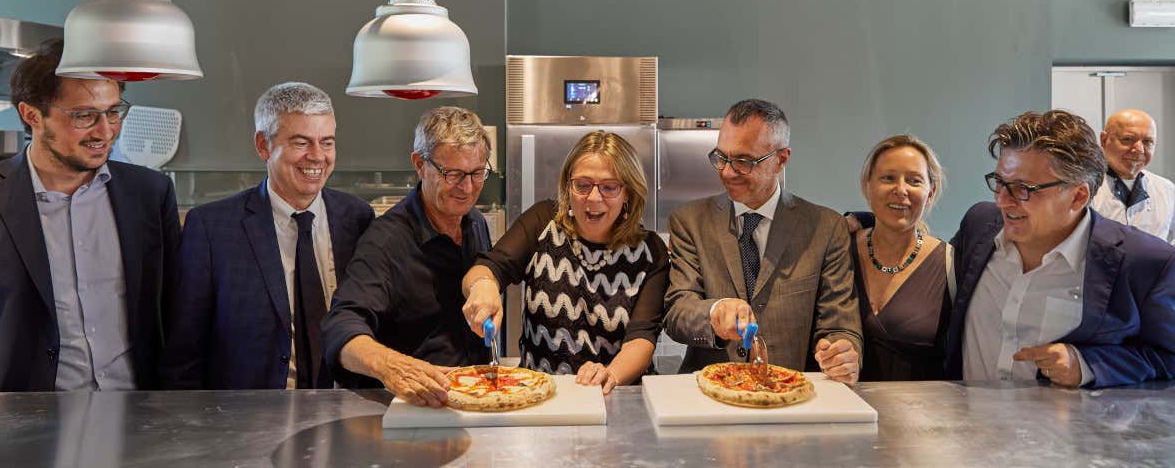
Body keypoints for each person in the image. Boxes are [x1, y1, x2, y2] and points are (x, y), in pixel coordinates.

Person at [0, 39, 181, 392]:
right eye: (84, 116)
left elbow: (172, 308)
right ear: (32, 115)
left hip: (136, 414)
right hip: (21, 420)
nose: (105, 131)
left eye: (114, 112)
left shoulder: (150, 193)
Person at [160, 82, 373, 389]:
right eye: (301, 143)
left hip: (348, 412)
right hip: (248, 421)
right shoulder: (212, 228)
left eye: (327, 142)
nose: (317, 157)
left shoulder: (358, 217)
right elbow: (183, 355)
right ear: (263, 145)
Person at [951, 110, 1175, 387]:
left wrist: (1088, 365)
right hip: (968, 424)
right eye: (1000, 183)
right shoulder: (979, 226)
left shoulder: (1144, 262)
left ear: (1078, 196)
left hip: (1069, 428)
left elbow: (1168, 357)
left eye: (1023, 189)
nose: (1002, 201)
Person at [663, 99, 863, 384]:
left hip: (790, 392)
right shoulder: (690, 222)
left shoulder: (826, 228)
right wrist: (714, 312)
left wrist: (842, 352)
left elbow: (840, 323)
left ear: (781, 159)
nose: (727, 172)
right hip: (709, 392)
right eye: (721, 157)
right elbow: (677, 311)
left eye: (744, 161)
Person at [461, 131, 670, 394]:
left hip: (617, 397)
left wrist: (610, 375)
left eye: (609, 187)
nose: (594, 198)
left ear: (627, 193)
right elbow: (489, 267)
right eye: (583, 185)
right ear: (567, 186)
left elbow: (641, 337)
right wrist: (483, 286)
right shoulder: (542, 223)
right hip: (541, 395)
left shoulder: (649, 251)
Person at [322, 106, 493, 407]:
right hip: (415, 407)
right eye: (452, 174)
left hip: (473, 400)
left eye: (477, 173)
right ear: (419, 164)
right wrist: (391, 367)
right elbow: (341, 326)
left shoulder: (476, 222)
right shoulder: (386, 240)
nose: (467, 188)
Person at [850, 135, 950, 381]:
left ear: (930, 193)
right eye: (888, 178)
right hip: (841, 412)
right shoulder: (837, 250)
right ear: (867, 186)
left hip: (920, 415)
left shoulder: (951, 263)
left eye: (914, 180)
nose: (901, 190)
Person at [1090, 109, 1175, 244]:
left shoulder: (1167, 189)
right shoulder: (1084, 188)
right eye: (1128, 139)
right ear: (1104, 140)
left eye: (1147, 142)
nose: (1139, 149)